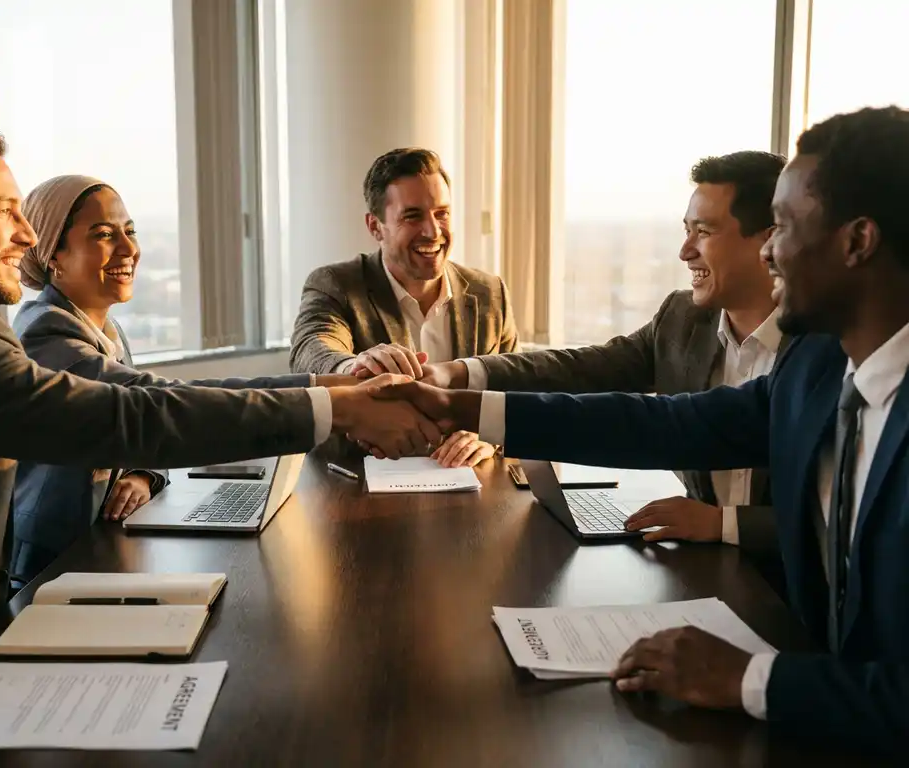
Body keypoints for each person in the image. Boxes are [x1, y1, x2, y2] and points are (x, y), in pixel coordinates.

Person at [370, 106, 909, 753]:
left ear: (858, 241)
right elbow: (663, 422)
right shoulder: (822, 371)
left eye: (786, 226)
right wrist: (465, 407)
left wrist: (752, 678)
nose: (771, 249)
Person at [0, 117, 440, 698]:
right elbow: (129, 414)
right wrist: (330, 407)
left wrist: (328, 393)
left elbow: (131, 407)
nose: (24, 235)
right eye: (0, 211)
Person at [420, 152, 788, 590]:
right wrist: (458, 377)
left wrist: (725, 524)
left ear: (770, 243)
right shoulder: (683, 319)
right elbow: (581, 369)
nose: (684, 251)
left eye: (703, 233)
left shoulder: (828, 353)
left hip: (794, 596)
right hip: (703, 575)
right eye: (686, 231)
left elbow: (840, 518)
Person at [10, 175, 349, 585]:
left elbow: (133, 430)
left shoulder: (104, 330)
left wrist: (142, 475)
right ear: (52, 256)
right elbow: (154, 403)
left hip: (98, 547)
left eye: (129, 231)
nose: (129, 249)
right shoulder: (45, 334)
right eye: (103, 234)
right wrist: (329, 392)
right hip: (50, 565)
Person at [289, 147, 519, 468]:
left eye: (442, 213)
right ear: (375, 227)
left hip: (469, 488)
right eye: (412, 216)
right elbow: (310, 351)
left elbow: (516, 392)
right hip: (357, 489)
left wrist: (488, 435)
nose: (433, 231)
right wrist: (353, 370)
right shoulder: (335, 284)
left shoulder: (490, 293)